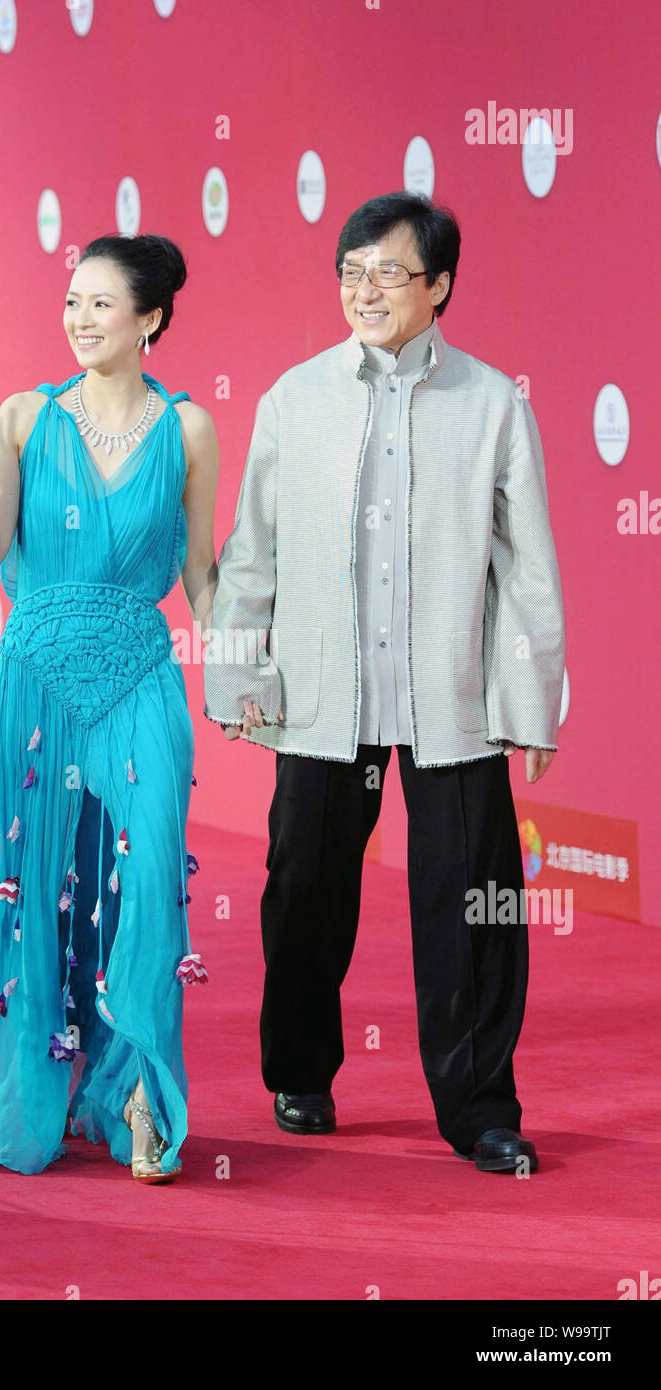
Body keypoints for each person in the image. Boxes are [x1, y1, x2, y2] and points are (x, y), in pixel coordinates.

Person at [203, 191, 565, 1175]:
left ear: (439, 285)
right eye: (351, 273)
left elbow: (525, 565)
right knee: (305, 886)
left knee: (475, 901)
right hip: (326, 694)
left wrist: (527, 703)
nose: (365, 291)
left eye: (389, 274)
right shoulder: (296, 397)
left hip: (453, 698)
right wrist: (240, 669)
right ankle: (300, 1070)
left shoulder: (492, 402)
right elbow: (251, 552)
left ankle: (481, 1105)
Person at [0, 234, 220, 1183]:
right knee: (35, 882)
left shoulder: (188, 431)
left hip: (141, 675)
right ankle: (36, 1086)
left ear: (150, 319)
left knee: (148, 872)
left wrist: (243, 674)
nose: (78, 319)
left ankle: (143, 1097)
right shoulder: (25, 416)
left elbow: (200, 575)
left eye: (101, 303)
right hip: (35, 678)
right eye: (71, 300)